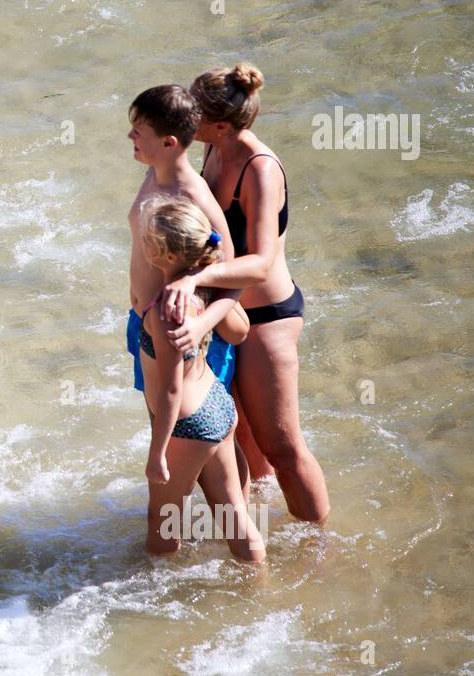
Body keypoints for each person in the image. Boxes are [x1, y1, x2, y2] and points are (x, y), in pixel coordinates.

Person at [156, 64, 330, 524]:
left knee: (283, 446)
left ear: (221, 125)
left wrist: (192, 280)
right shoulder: (212, 147)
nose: (187, 120)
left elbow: (262, 262)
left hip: (266, 315)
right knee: (239, 440)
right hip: (224, 315)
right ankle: (255, 534)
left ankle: (319, 547)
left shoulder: (260, 170)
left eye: (195, 115)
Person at [125, 84, 251, 488]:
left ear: (168, 142)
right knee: (174, 444)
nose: (130, 137)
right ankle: (208, 525)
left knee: (207, 444)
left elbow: (233, 273)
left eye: (137, 131)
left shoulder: (190, 194)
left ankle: (235, 520)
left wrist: (201, 326)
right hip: (147, 325)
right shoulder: (154, 170)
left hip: (185, 333)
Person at [137, 196, 264, 562]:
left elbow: (172, 390)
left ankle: (153, 599)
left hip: (188, 423)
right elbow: (239, 279)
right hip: (216, 403)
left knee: (162, 521)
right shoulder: (196, 287)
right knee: (233, 515)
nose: (141, 244)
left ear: (166, 254)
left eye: (147, 238)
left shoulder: (168, 310)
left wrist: (157, 454)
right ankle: (260, 584)